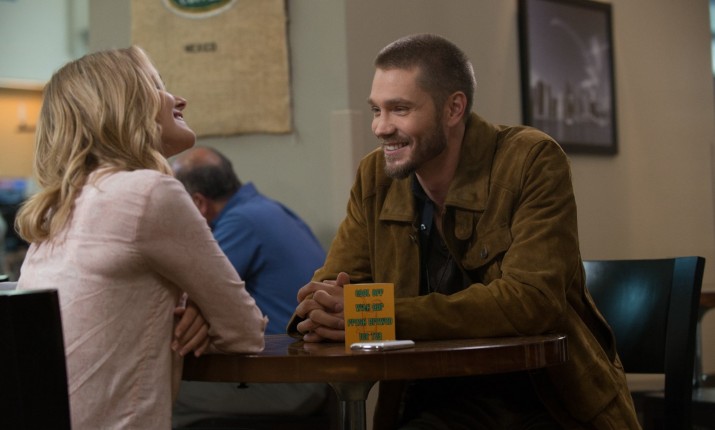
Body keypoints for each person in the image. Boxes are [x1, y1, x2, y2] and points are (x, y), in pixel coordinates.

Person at [289, 34, 641, 429]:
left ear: (454, 108)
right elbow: (336, 289)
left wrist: (378, 314)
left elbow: (531, 302)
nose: (381, 127)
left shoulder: (531, 159)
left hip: (542, 403)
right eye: (376, 110)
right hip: (423, 403)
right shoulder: (376, 176)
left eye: (400, 109)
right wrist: (320, 310)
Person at [14, 46, 267, 429]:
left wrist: (196, 306)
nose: (179, 99)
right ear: (123, 104)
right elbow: (245, 332)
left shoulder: (57, 209)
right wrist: (203, 309)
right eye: (157, 85)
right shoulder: (148, 192)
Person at [170, 146, 329, 426]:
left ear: (198, 203)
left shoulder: (239, 223)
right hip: (310, 372)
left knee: (156, 394)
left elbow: (188, 295)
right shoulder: (267, 209)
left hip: (289, 381)